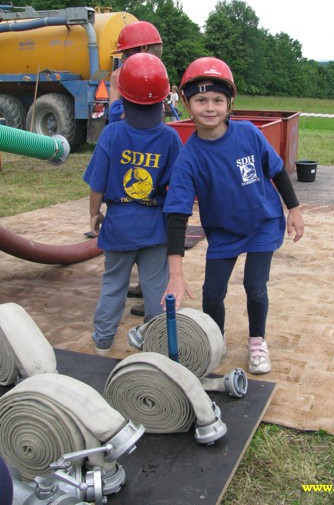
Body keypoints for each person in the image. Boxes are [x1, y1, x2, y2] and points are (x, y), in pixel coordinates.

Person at [161, 57, 304, 375]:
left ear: (229, 103)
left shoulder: (249, 135)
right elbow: (177, 215)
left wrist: (293, 210)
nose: (209, 107)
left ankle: (257, 341)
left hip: (263, 223)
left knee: (254, 285)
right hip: (223, 232)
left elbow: (277, 171)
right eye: (200, 100)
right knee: (212, 294)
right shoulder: (189, 158)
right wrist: (175, 272)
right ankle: (215, 341)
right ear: (186, 103)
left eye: (217, 100)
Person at [83, 53, 182, 354]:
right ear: (163, 100)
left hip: (119, 227)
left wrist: (94, 214)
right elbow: (177, 189)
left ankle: (102, 342)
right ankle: (155, 348)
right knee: (155, 292)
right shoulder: (170, 138)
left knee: (113, 285)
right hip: (156, 229)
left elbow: (98, 183)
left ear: (124, 98)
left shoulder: (112, 133)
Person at [109, 20, 165, 316]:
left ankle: (151, 295)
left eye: (125, 54)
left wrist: (115, 94)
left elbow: (118, 127)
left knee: (148, 242)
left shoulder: (136, 82)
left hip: (138, 194)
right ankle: (147, 288)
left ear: (142, 50)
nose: (122, 61)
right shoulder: (156, 78)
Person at [109, 20, 164, 124]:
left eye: (125, 54)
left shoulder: (142, 84)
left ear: (143, 48)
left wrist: (114, 89)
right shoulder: (160, 78)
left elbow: (116, 128)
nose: (122, 60)